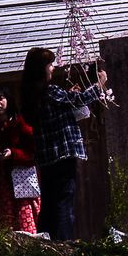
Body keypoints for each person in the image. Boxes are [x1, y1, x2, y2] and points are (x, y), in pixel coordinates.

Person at [44, 57, 109, 242]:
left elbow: (68, 104)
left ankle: (51, 241)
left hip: (50, 155)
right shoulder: (49, 90)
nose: (52, 68)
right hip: (62, 152)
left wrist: (69, 96)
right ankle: (64, 243)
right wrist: (99, 85)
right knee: (64, 200)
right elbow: (79, 99)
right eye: (50, 65)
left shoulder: (38, 92)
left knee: (53, 201)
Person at [0, 91, 45, 235]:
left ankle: (31, 247)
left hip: (22, 181)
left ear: (9, 101)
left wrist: (13, 153)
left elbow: (33, 151)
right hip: (1, 183)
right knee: (5, 223)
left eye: (1, 98)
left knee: (26, 220)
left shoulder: (21, 123)